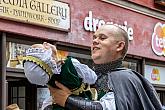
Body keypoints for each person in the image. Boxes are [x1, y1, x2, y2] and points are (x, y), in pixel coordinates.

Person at [48, 24, 163, 110]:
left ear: (119, 46)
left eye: (102, 38)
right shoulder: (86, 76)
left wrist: (67, 100)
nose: (95, 41)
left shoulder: (127, 79)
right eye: (94, 38)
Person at [23, 42, 97, 110]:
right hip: (79, 103)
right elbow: (93, 78)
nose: (45, 43)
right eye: (44, 46)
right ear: (49, 57)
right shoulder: (70, 65)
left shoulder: (49, 78)